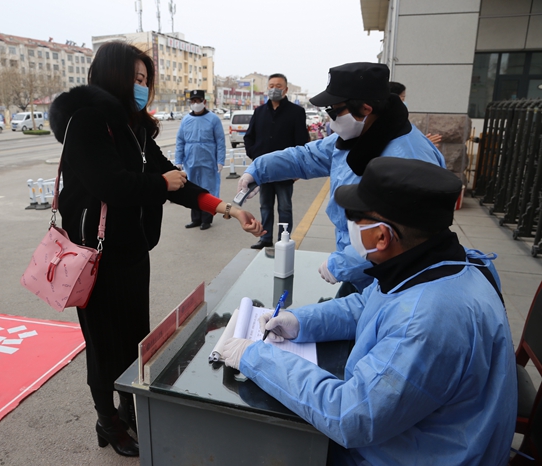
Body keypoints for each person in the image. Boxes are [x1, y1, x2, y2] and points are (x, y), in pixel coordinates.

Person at [222, 157, 515, 465]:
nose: (349, 226)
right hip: (438, 432)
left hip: (418, 455)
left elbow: (351, 416)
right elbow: (369, 303)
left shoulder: (424, 321)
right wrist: (300, 321)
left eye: (355, 218)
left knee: (269, 444)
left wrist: (256, 357)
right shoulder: (445, 262)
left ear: (382, 236)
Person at [48, 41, 264, 458]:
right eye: (136, 78)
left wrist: (228, 208)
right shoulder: (88, 121)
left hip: (131, 253)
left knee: (134, 339)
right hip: (96, 258)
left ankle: (128, 406)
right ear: (113, 76)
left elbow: (173, 179)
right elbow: (112, 185)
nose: (142, 87)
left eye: (146, 80)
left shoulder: (134, 129)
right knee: (104, 345)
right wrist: (159, 184)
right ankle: (106, 419)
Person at [239, 63, 446, 293]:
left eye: (335, 111)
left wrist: (344, 263)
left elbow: (402, 237)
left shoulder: (409, 159)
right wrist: (258, 170)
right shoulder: (361, 134)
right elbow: (306, 156)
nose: (331, 120)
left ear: (365, 108)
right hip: (360, 266)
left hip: (390, 280)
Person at [243, 73, 309, 249]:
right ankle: (265, 238)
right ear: (267, 88)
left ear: (286, 90)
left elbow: (302, 142)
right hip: (264, 171)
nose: (274, 89)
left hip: (286, 170)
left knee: (285, 207)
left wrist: (297, 168)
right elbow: (249, 137)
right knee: (265, 205)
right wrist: (255, 157)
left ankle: (283, 240)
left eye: (278, 86)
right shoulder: (259, 112)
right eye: (271, 86)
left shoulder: (296, 112)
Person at [175, 89, 226, 230]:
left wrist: (220, 161)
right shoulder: (186, 120)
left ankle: (206, 219)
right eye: (193, 101)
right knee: (193, 190)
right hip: (191, 161)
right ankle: (196, 219)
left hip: (208, 161)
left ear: (204, 102)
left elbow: (220, 142)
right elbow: (180, 141)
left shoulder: (213, 119)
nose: (196, 103)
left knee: (207, 189)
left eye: (198, 101)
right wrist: (178, 161)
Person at [388, 81, 442, 148]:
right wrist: (421, 145)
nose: (404, 102)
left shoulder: (401, 122)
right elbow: (398, 148)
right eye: (402, 98)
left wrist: (421, 142)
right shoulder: (391, 124)